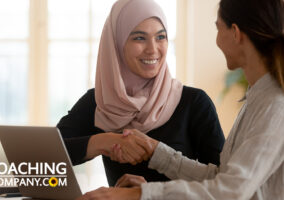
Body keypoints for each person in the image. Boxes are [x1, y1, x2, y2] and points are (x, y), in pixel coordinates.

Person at [76, 0, 284, 199]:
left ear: (236, 33)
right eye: (139, 38)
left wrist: (140, 194)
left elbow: (230, 192)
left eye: (218, 27)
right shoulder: (258, 99)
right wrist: (155, 152)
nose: (152, 48)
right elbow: (221, 178)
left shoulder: (275, 105)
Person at [57, 0, 225, 187]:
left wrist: (148, 194)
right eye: (139, 38)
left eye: (160, 37)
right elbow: (39, 157)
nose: (153, 49)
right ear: (117, 44)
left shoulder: (194, 103)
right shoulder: (100, 101)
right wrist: (104, 141)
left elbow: (224, 185)